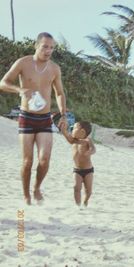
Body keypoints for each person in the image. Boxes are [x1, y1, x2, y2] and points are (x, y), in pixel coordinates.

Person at [0, 32, 67, 205]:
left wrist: (63, 115)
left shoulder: (54, 68)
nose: (48, 51)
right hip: (26, 117)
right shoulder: (23, 63)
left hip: (45, 118)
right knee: (27, 161)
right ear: (36, 46)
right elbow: (3, 83)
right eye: (45, 46)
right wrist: (20, 90)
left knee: (44, 160)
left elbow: (59, 93)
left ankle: (37, 188)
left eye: (52, 47)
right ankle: (26, 195)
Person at [61, 121, 96, 207]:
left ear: (82, 132)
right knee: (76, 188)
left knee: (89, 191)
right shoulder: (74, 140)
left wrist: (90, 152)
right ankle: (78, 205)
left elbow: (93, 148)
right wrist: (63, 130)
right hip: (77, 170)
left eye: (74, 128)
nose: (72, 130)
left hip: (88, 171)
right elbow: (68, 137)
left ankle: (85, 201)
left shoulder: (87, 140)